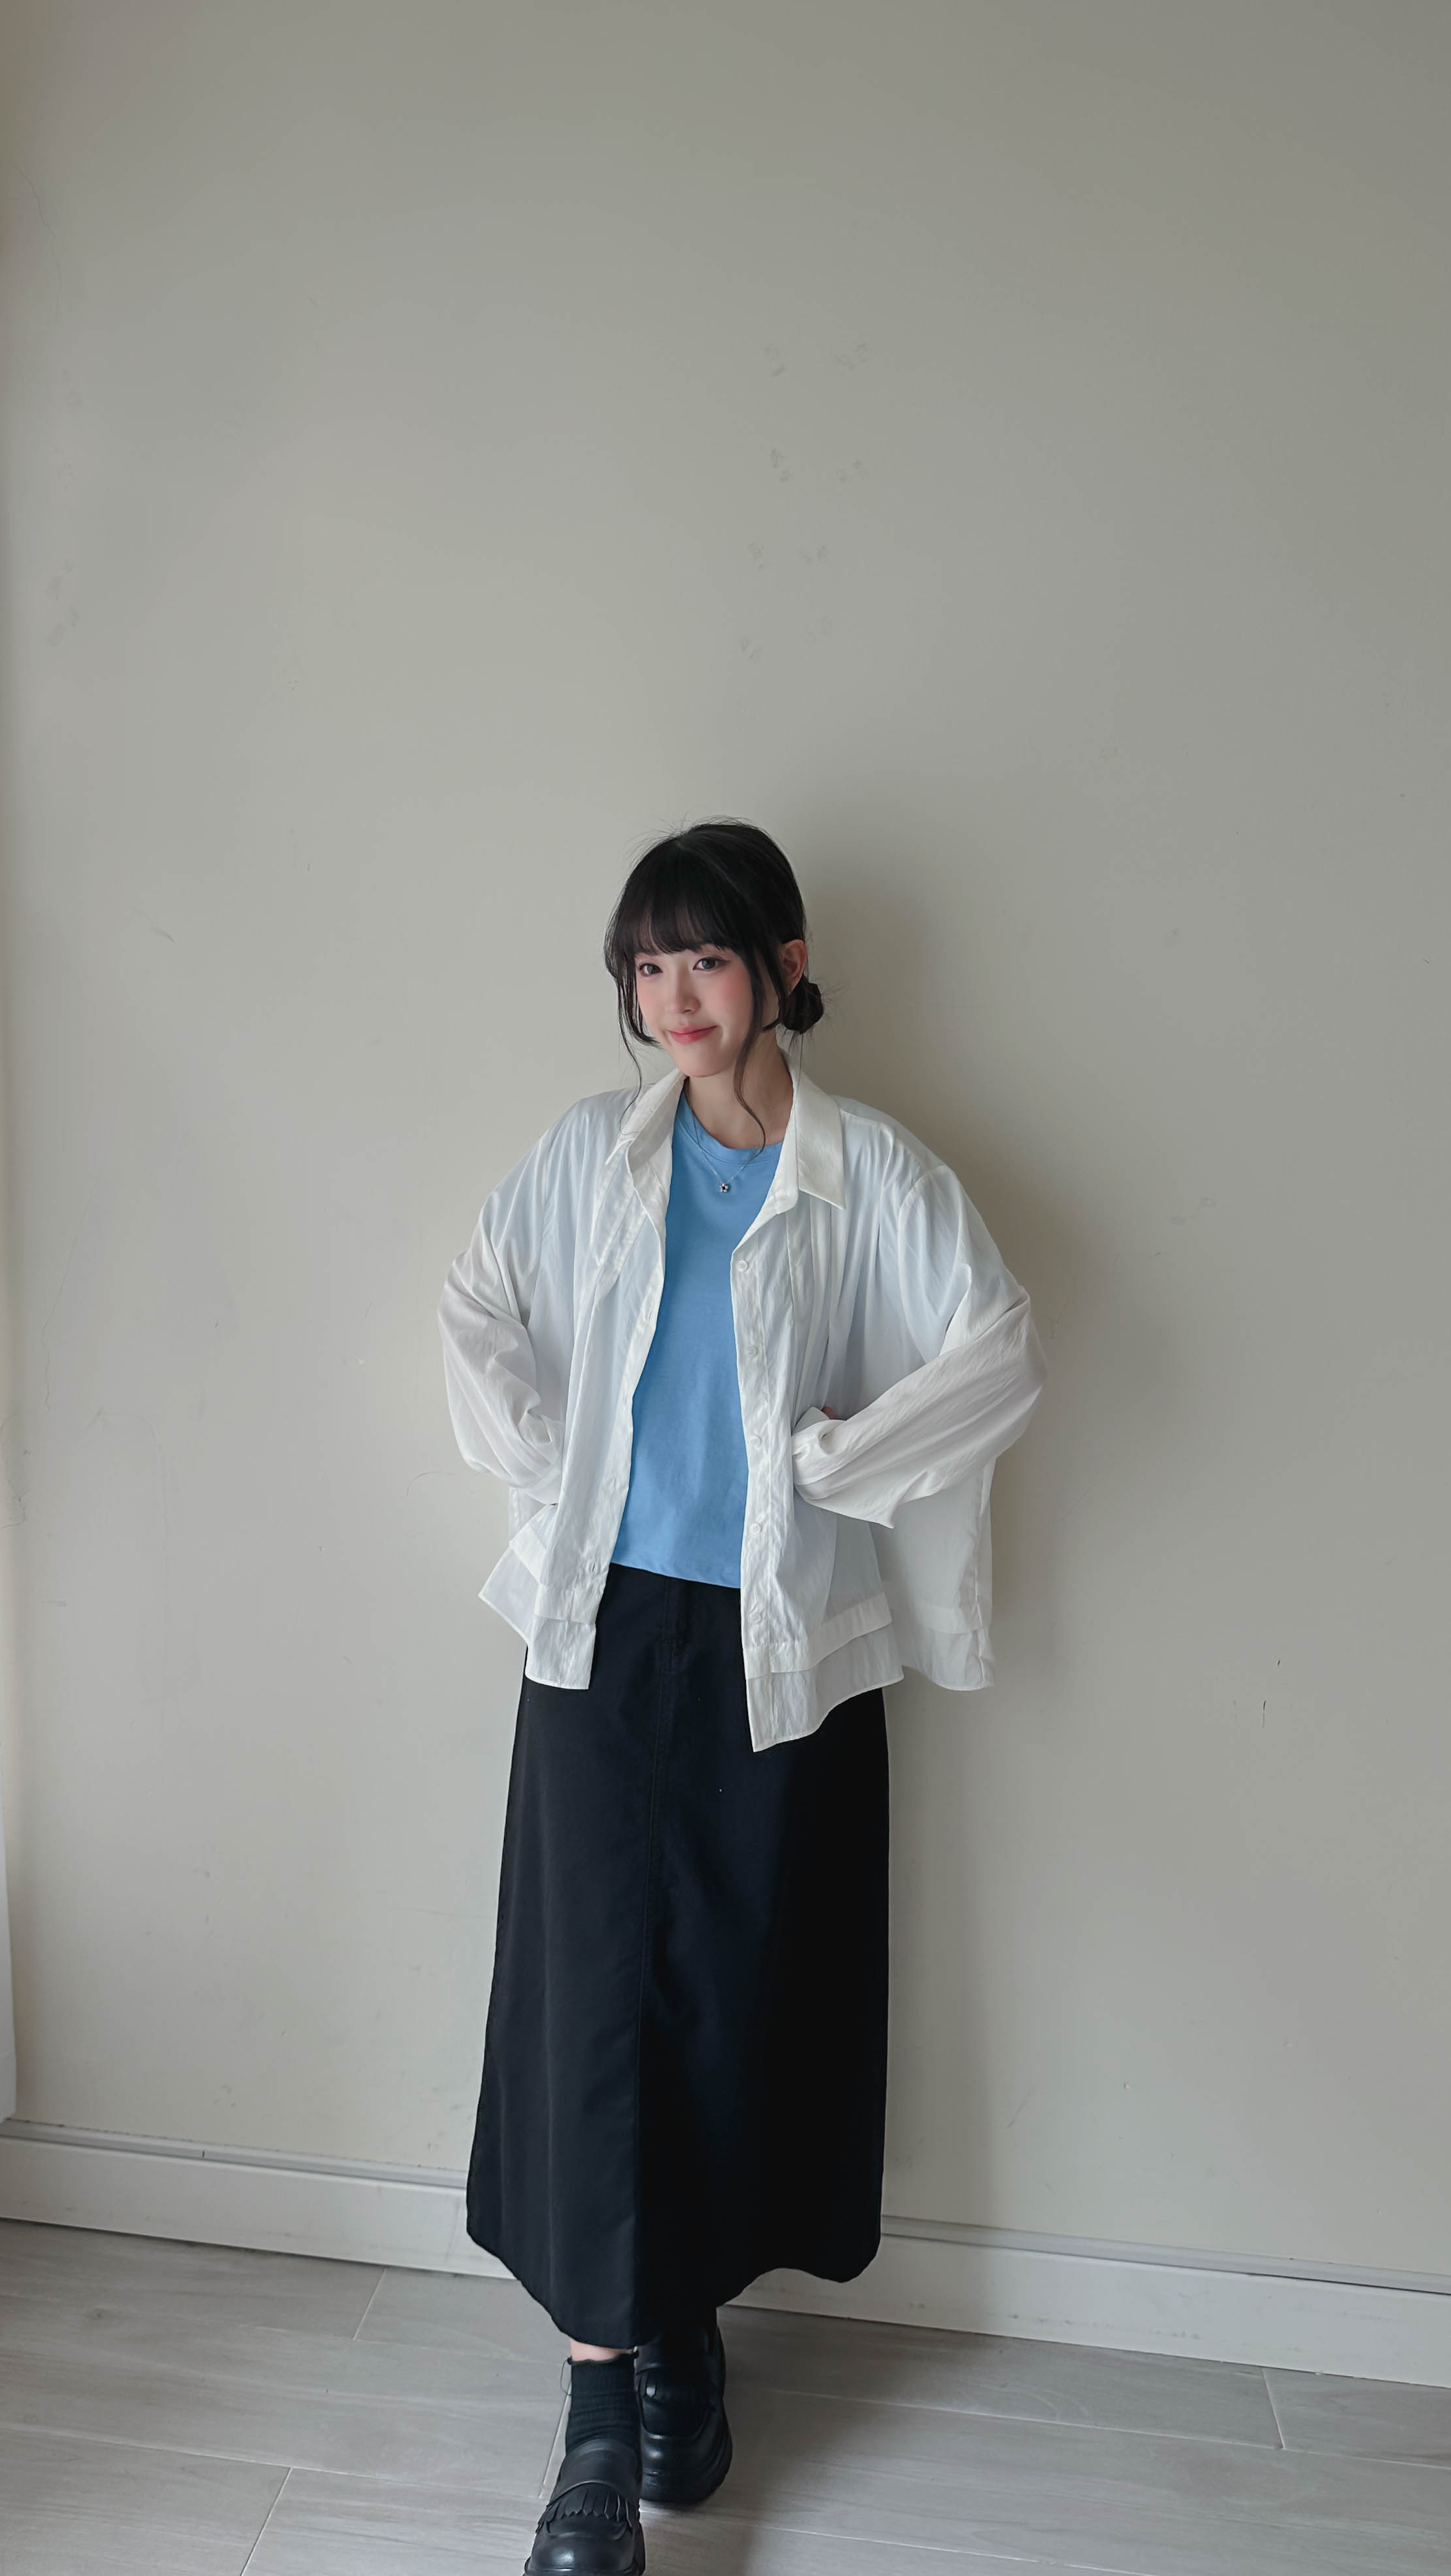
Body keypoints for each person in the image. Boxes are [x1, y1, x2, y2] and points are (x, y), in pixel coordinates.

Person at [439, 819, 1047, 2573]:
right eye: (647, 966)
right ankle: (591, 2429)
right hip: (601, 1633)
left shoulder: (875, 1176)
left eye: (704, 957)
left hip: (785, 1649)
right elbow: (476, 1308)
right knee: (585, 2006)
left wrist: (844, 1461)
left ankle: (684, 2342)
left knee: (727, 2001)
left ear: (784, 965)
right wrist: (552, 1457)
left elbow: (998, 1348)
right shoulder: (589, 1154)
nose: (674, 997)